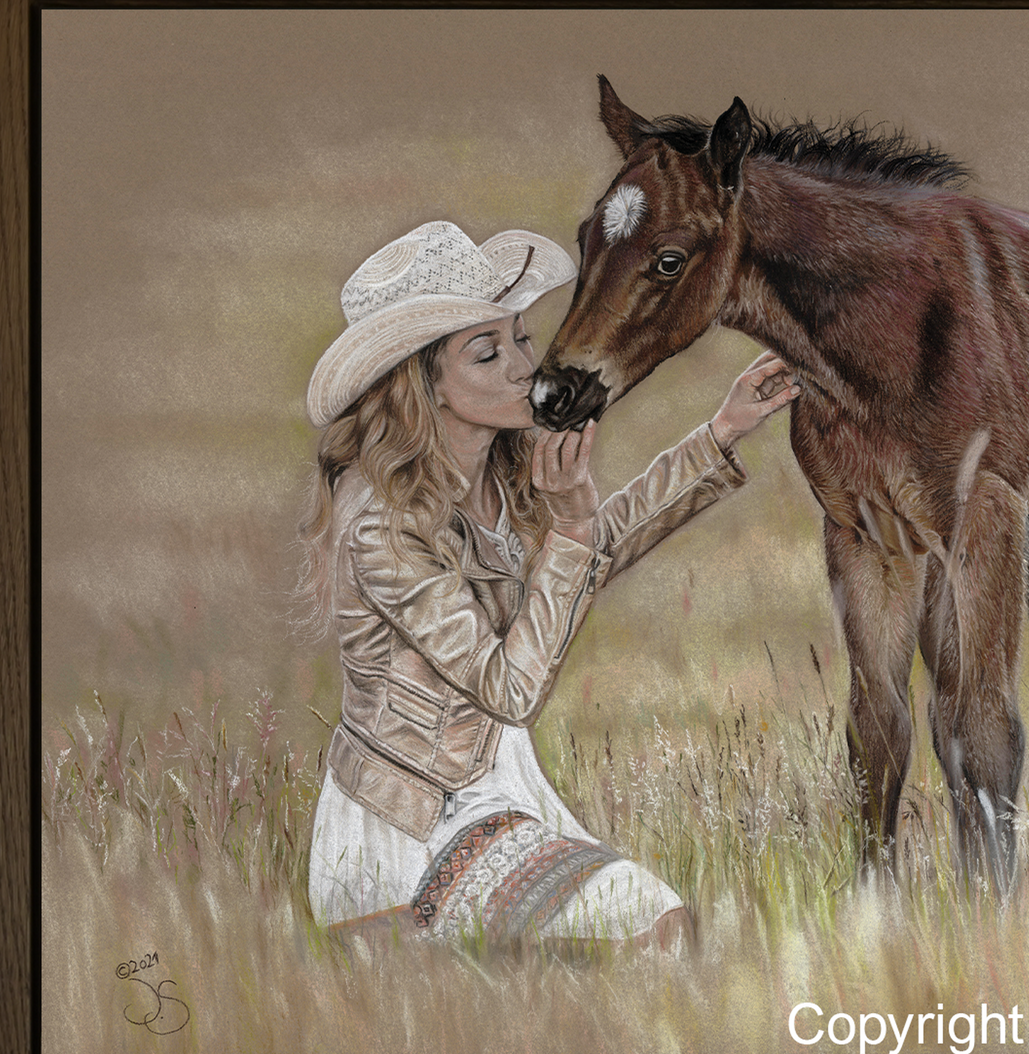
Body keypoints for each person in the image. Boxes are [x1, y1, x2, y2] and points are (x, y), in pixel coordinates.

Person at [297, 219, 797, 949]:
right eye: (485, 351)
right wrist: (567, 530)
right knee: (656, 931)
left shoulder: (499, 470)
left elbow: (593, 547)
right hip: (406, 840)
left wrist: (721, 431)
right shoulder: (381, 523)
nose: (520, 366)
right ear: (422, 383)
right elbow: (510, 688)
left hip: (491, 800)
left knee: (650, 939)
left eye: (520, 339)